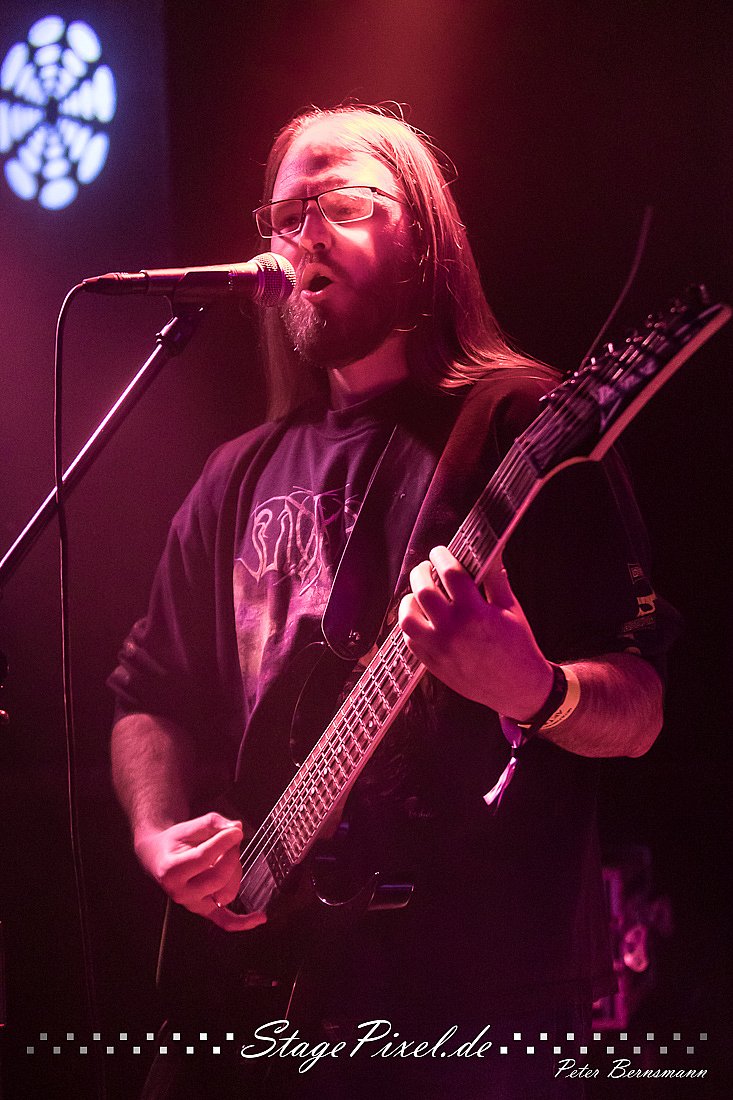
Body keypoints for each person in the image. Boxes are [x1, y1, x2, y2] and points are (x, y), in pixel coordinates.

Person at [109, 104, 678, 1099]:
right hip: (258, 1003)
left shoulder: (521, 424)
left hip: (475, 1014)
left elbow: (642, 706)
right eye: (285, 216)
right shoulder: (234, 474)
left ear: (422, 238)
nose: (304, 235)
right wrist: (160, 836)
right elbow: (147, 695)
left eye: (339, 203)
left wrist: (534, 689)